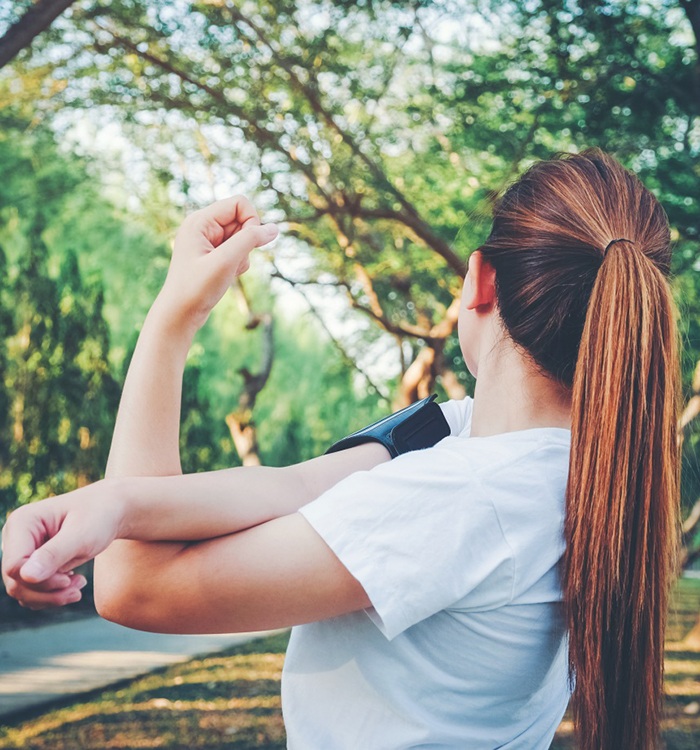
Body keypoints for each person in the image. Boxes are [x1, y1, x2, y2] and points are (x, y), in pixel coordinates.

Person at [1, 148, 680, 750]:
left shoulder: (465, 498)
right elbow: (289, 488)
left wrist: (176, 317)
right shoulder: (528, 454)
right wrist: (108, 503)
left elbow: (136, 588)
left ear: (481, 282)